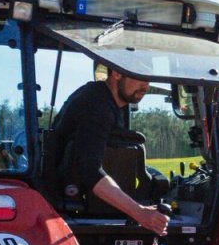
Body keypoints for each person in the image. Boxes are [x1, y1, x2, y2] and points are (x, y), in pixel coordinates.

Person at [42, 66, 170, 235]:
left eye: (148, 79)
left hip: (87, 202)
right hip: (66, 203)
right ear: (116, 73)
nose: (145, 86)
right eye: (140, 77)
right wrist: (139, 212)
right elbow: (90, 170)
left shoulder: (112, 103)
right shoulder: (96, 105)